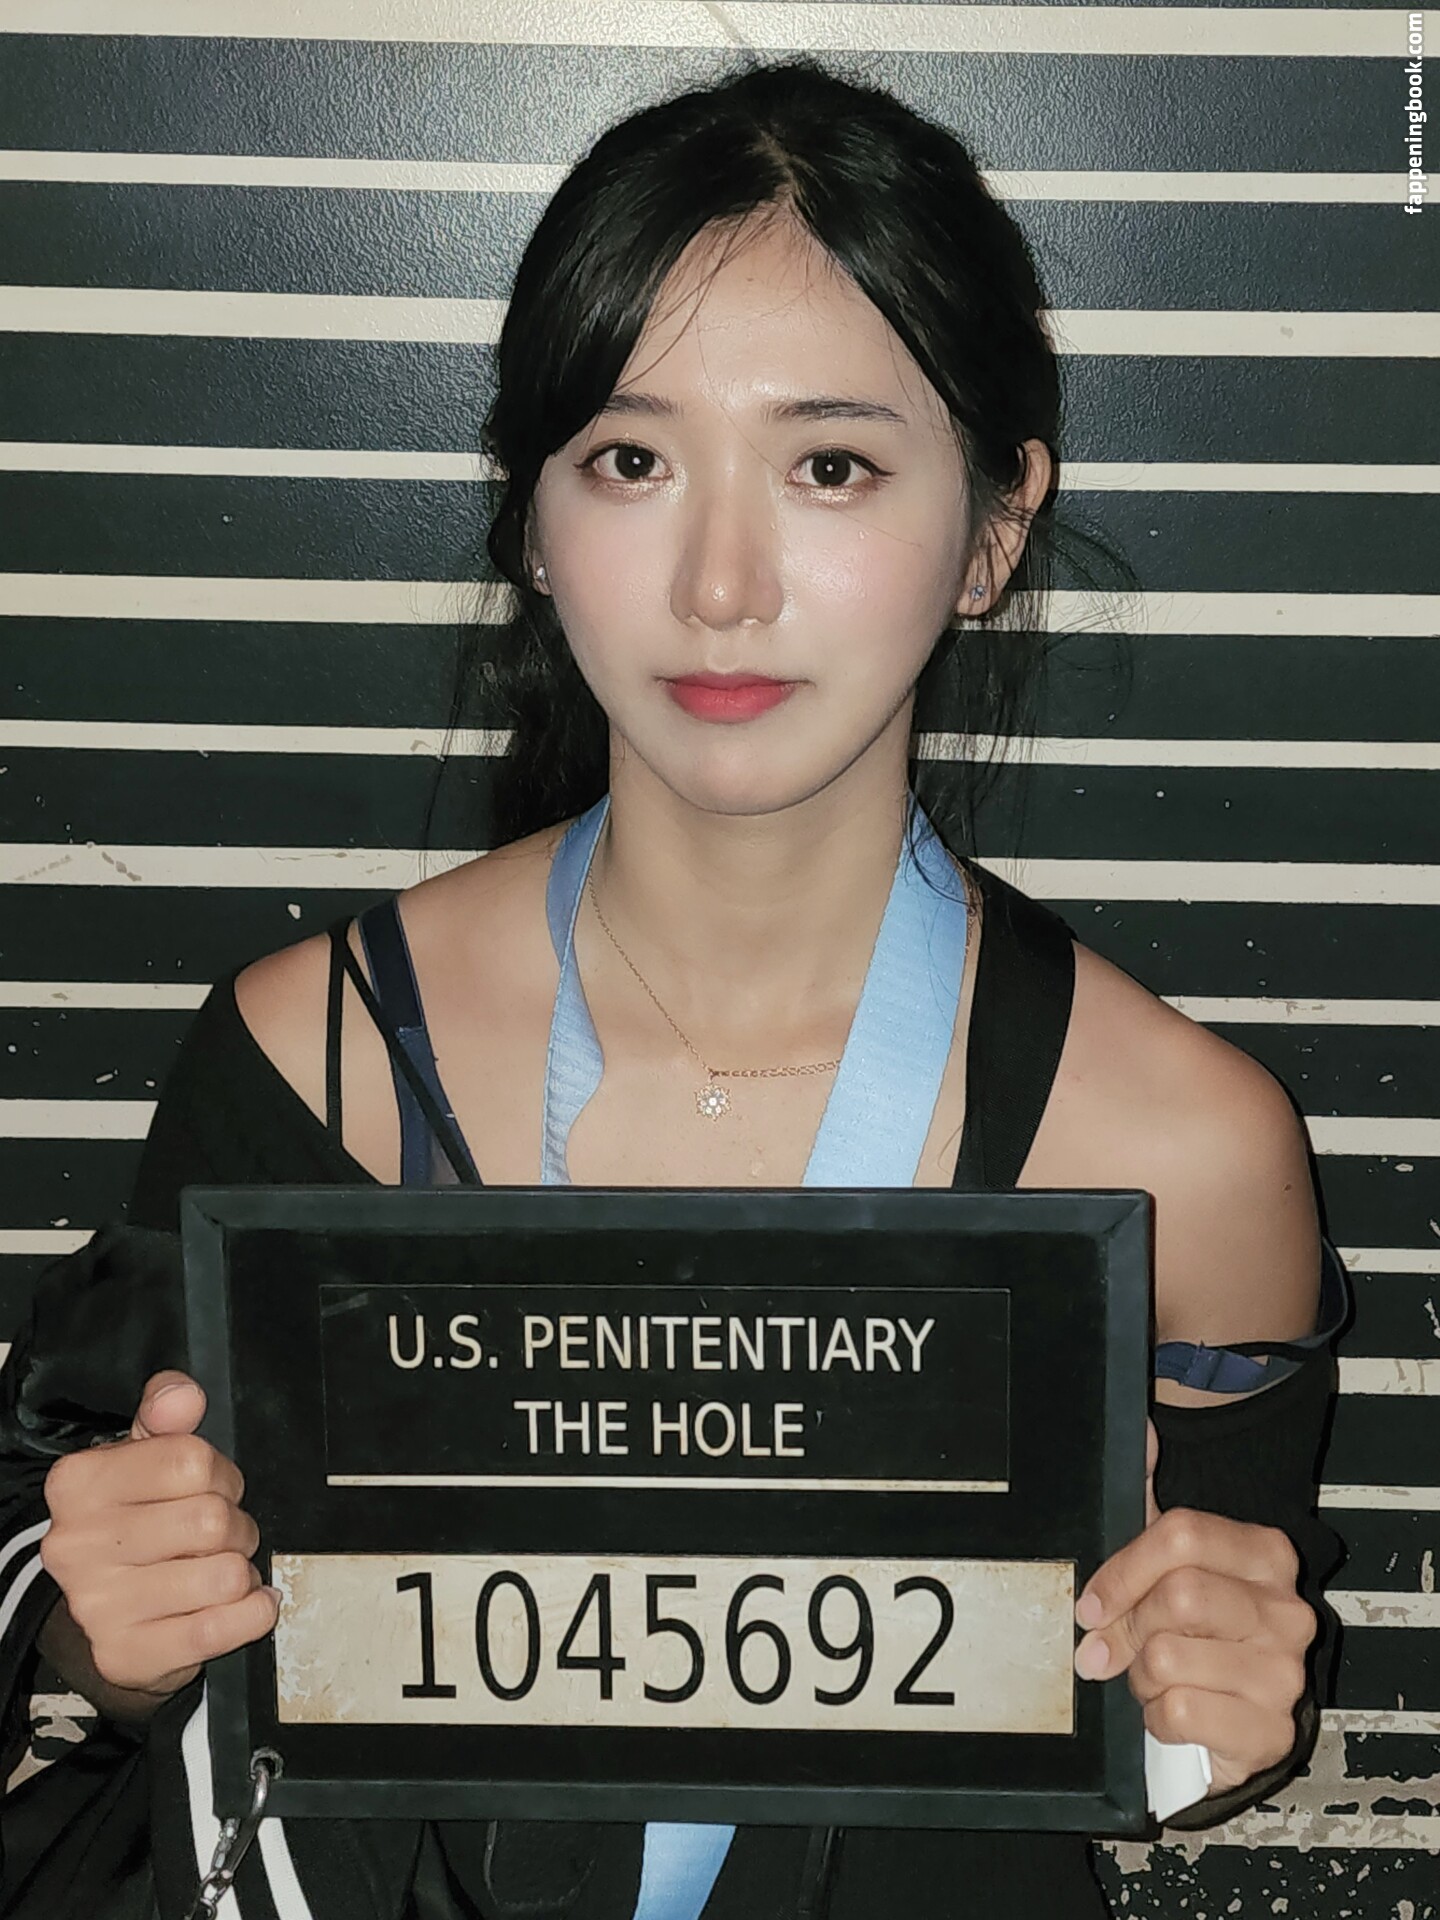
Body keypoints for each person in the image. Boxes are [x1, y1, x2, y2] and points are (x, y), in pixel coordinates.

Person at [0, 53, 1347, 1920]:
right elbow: (97, 1627)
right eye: (631, 461)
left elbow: (1182, 1733)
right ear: (534, 521)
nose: (720, 584)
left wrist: (1224, 1708)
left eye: (831, 465)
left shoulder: (1189, 1146)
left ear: (994, 525)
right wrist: (115, 1634)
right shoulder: (313, 1055)